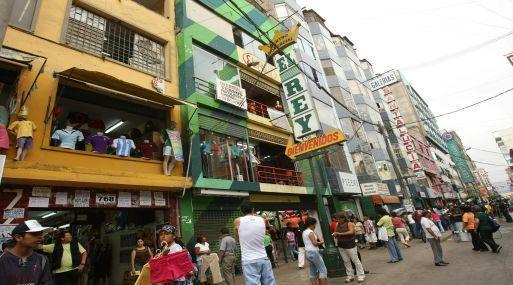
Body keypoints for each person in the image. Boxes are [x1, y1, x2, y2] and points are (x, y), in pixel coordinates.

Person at [234, 201, 276, 285]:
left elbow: (237, 239)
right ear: (253, 209)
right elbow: (262, 233)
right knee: (270, 283)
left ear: (241, 211)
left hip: (248, 260)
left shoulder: (237, 221)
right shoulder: (262, 220)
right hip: (263, 257)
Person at [0, 220, 52, 285]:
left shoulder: (42, 260)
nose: (40, 237)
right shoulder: (2, 260)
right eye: (34, 234)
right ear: (18, 237)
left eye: (41, 234)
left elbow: (46, 282)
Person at [333, 213, 365, 283]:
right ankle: (350, 275)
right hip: (341, 245)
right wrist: (335, 235)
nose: (337, 220)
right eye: (337, 219)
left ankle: (361, 275)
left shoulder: (349, 223)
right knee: (346, 261)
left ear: (343, 218)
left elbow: (351, 232)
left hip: (350, 244)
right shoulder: (337, 224)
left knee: (355, 260)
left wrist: (339, 234)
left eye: (339, 219)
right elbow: (335, 232)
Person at [302, 218, 328, 285]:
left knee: (313, 272)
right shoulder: (310, 232)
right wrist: (322, 242)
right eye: (314, 224)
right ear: (312, 224)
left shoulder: (304, 232)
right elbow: (315, 243)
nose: (315, 226)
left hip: (307, 252)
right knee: (323, 270)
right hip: (313, 252)